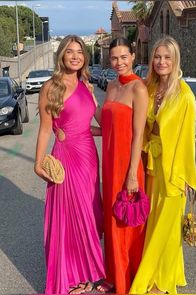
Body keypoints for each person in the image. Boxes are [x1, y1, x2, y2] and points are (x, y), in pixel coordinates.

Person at [34, 35, 105, 294]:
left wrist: (109, 130)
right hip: (65, 157)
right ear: (61, 56)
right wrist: (38, 162)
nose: (75, 56)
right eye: (69, 52)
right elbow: (44, 130)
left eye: (79, 52)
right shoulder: (50, 87)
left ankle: (87, 275)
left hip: (88, 157)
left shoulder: (87, 86)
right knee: (71, 217)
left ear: (84, 57)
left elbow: (91, 127)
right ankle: (70, 275)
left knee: (89, 213)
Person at [130, 36, 196, 294]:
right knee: (153, 224)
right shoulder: (148, 88)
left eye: (167, 57)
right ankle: (162, 273)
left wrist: (187, 180)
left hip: (173, 172)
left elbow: (187, 141)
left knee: (166, 229)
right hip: (150, 166)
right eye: (157, 57)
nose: (161, 61)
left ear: (175, 60)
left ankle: (158, 282)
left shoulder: (185, 96)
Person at [95, 37, 149, 294]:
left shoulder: (138, 88)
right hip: (109, 161)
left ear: (133, 56)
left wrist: (132, 175)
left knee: (125, 222)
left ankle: (127, 281)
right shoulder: (112, 85)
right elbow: (106, 122)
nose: (119, 62)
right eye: (114, 58)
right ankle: (113, 276)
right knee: (111, 218)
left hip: (127, 164)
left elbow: (138, 134)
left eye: (124, 57)